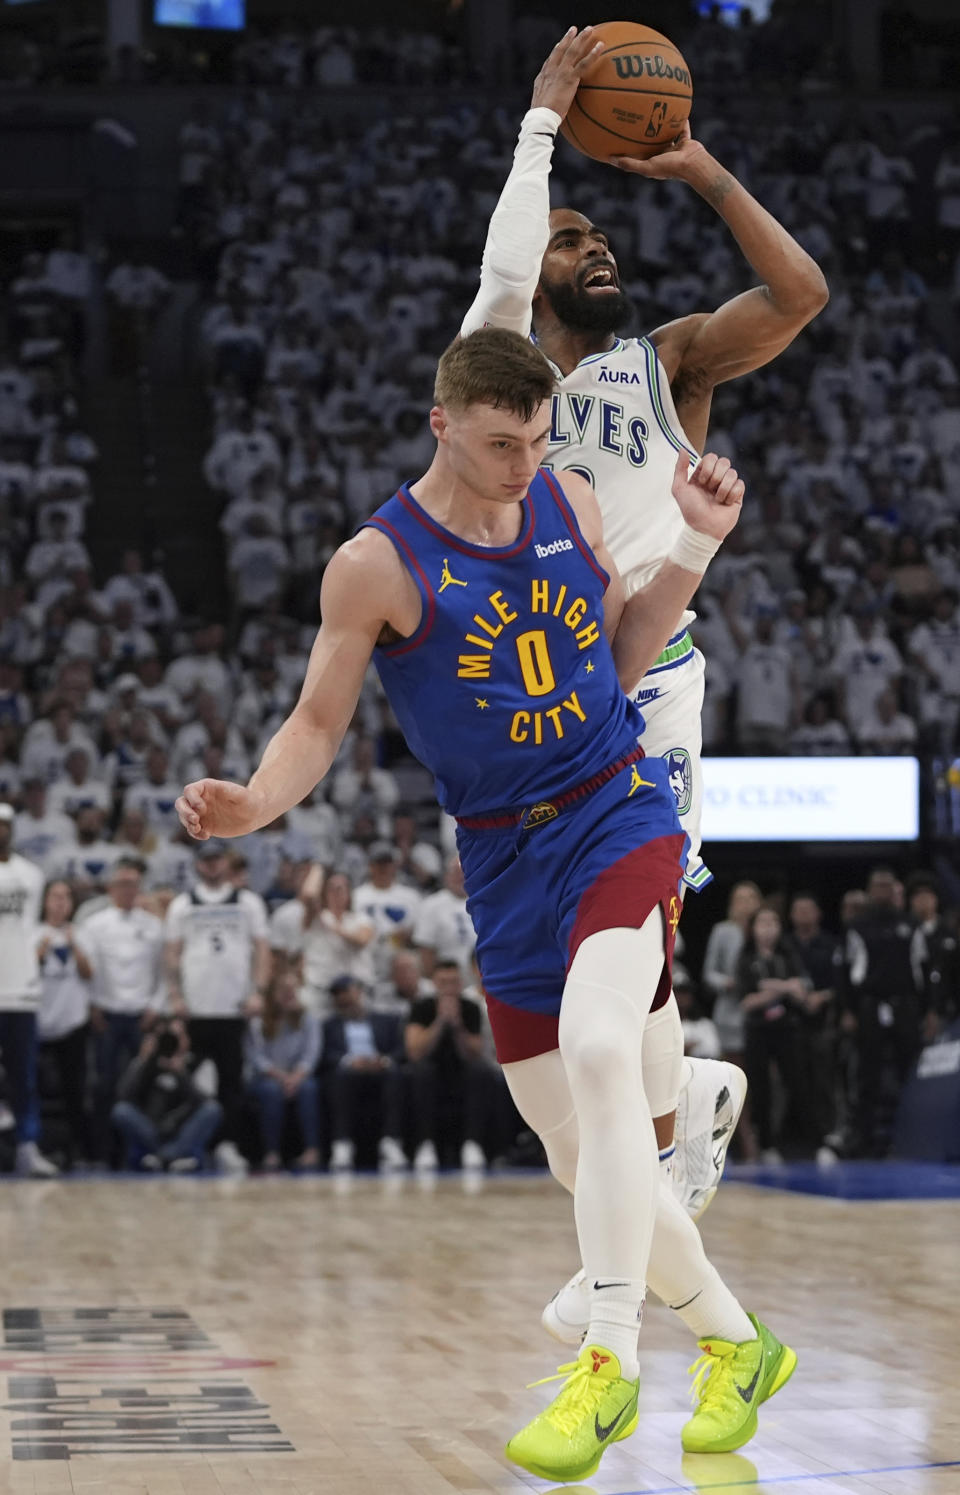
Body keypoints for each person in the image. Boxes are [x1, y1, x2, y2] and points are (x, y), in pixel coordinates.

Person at [176, 329, 792, 1478]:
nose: (523, 465)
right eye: (501, 443)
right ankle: (737, 1343)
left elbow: (619, 653)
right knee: (575, 1152)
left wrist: (696, 547)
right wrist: (255, 803)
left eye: (536, 440)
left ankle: (606, 1368)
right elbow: (318, 724)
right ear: (442, 424)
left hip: (617, 808)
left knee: (604, 1054)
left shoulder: (567, 499)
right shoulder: (378, 563)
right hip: (505, 861)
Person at [460, 27, 826, 1230]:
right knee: (576, 1008)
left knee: (641, 932)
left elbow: (799, 297)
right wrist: (547, 129)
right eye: (575, 236)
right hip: (544, 699)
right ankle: (672, 1138)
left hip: (650, 675)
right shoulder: (502, 392)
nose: (594, 243)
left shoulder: (661, 364)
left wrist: (708, 175)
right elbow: (503, 281)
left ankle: (637, 1229)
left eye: (599, 233)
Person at [164, 838, 270, 1176]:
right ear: (197, 864)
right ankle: (190, 1145)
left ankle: (228, 1145)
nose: (211, 865)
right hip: (195, 1009)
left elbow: (262, 950)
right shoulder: (182, 905)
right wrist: (175, 996)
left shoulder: (248, 903)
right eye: (205, 859)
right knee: (189, 1085)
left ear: (226, 862)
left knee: (231, 1083)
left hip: (232, 1007)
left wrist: (259, 991)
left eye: (216, 859)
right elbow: (172, 955)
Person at [80, 857, 165, 1164]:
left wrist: (155, 1008)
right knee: (104, 1086)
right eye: (122, 884)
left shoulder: (154, 927)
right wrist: (94, 1006)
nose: (128, 890)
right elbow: (88, 970)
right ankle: (103, 1153)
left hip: (142, 1017)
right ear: (111, 888)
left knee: (143, 1087)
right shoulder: (95, 925)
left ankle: (139, 1152)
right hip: (109, 1016)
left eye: (133, 884)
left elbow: (162, 973)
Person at [843, 866, 923, 1157]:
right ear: (870, 890)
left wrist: (927, 1010)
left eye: (888, 886)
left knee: (909, 1073)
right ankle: (866, 1141)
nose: (883, 891)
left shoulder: (910, 924)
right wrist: (849, 1010)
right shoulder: (858, 926)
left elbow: (921, 969)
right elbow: (847, 972)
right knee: (868, 1076)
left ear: (895, 890)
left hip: (904, 1006)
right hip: (869, 1007)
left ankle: (911, 1138)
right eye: (877, 886)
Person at [0, 803, 58, 1176]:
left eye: (5, 825)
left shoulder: (32, 875)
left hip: (20, 989)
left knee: (24, 1077)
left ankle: (27, 1145)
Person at [734, 905, 816, 1163]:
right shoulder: (746, 958)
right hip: (758, 1030)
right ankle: (767, 1145)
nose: (768, 929)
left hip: (787, 1028)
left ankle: (812, 1143)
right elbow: (747, 1001)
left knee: (799, 1084)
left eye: (773, 923)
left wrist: (770, 988)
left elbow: (802, 991)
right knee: (760, 1087)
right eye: (762, 923)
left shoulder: (787, 956)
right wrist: (784, 987)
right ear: (753, 929)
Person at [404, 959, 494, 1172]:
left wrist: (457, 1027)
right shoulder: (421, 1006)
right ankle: (425, 1144)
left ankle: (473, 1143)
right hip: (430, 1069)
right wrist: (439, 1023)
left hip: (461, 1068)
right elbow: (415, 1052)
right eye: (443, 982)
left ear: (460, 983)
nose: (448, 987)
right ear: (434, 983)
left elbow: (474, 1052)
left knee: (481, 1072)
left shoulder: (470, 1008)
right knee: (421, 1073)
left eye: (453, 982)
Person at [111, 1018, 223, 1172]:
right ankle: (174, 1157)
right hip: (152, 1129)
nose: (173, 1042)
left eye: (179, 1036)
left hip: (184, 1130)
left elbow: (205, 1102)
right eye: (169, 1036)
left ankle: (164, 1157)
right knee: (121, 1110)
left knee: (212, 1109)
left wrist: (182, 1075)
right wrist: (143, 1062)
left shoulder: (201, 1063)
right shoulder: (146, 1063)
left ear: (187, 1039)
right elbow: (123, 1095)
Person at [320, 974, 406, 1172]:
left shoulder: (387, 1020)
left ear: (360, 993)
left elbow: (400, 1050)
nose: (343, 998)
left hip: (380, 1068)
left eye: (346, 992)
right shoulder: (329, 1025)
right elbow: (326, 1055)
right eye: (338, 995)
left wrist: (383, 1060)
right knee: (339, 1076)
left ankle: (390, 1142)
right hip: (349, 1071)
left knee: (394, 1073)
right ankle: (342, 1144)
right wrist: (349, 1061)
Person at [36, 878, 94, 1167]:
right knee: (31, 1090)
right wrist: (39, 954)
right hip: (37, 1024)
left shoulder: (81, 934)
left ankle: (77, 1151)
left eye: (65, 897)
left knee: (75, 1091)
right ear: (44, 901)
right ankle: (35, 1148)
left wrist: (75, 947)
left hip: (73, 1024)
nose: (60, 903)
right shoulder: (32, 934)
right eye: (55, 896)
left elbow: (88, 973)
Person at [270, 864, 375, 1015]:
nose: (336, 892)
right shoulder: (317, 918)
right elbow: (309, 895)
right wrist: (318, 868)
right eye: (332, 888)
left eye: (341, 888)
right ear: (325, 892)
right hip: (320, 993)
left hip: (354, 994)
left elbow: (362, 939)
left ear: (349, 893)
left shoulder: (360, 919)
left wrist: (333, 927)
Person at [246, 963, 321, 1171]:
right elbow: (257, 1058)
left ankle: (311, 1150)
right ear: (273, 993)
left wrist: (295, 1078)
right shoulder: (258, 1021)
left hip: (298, 1077)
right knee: (271, 1091)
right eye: (284, 990)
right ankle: (272, 1153)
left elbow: (310, 1056)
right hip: (267, 1078)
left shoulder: (309, 1020)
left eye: (292, 990)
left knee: (309, 1088)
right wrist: (280, 1077)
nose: (289, 995)